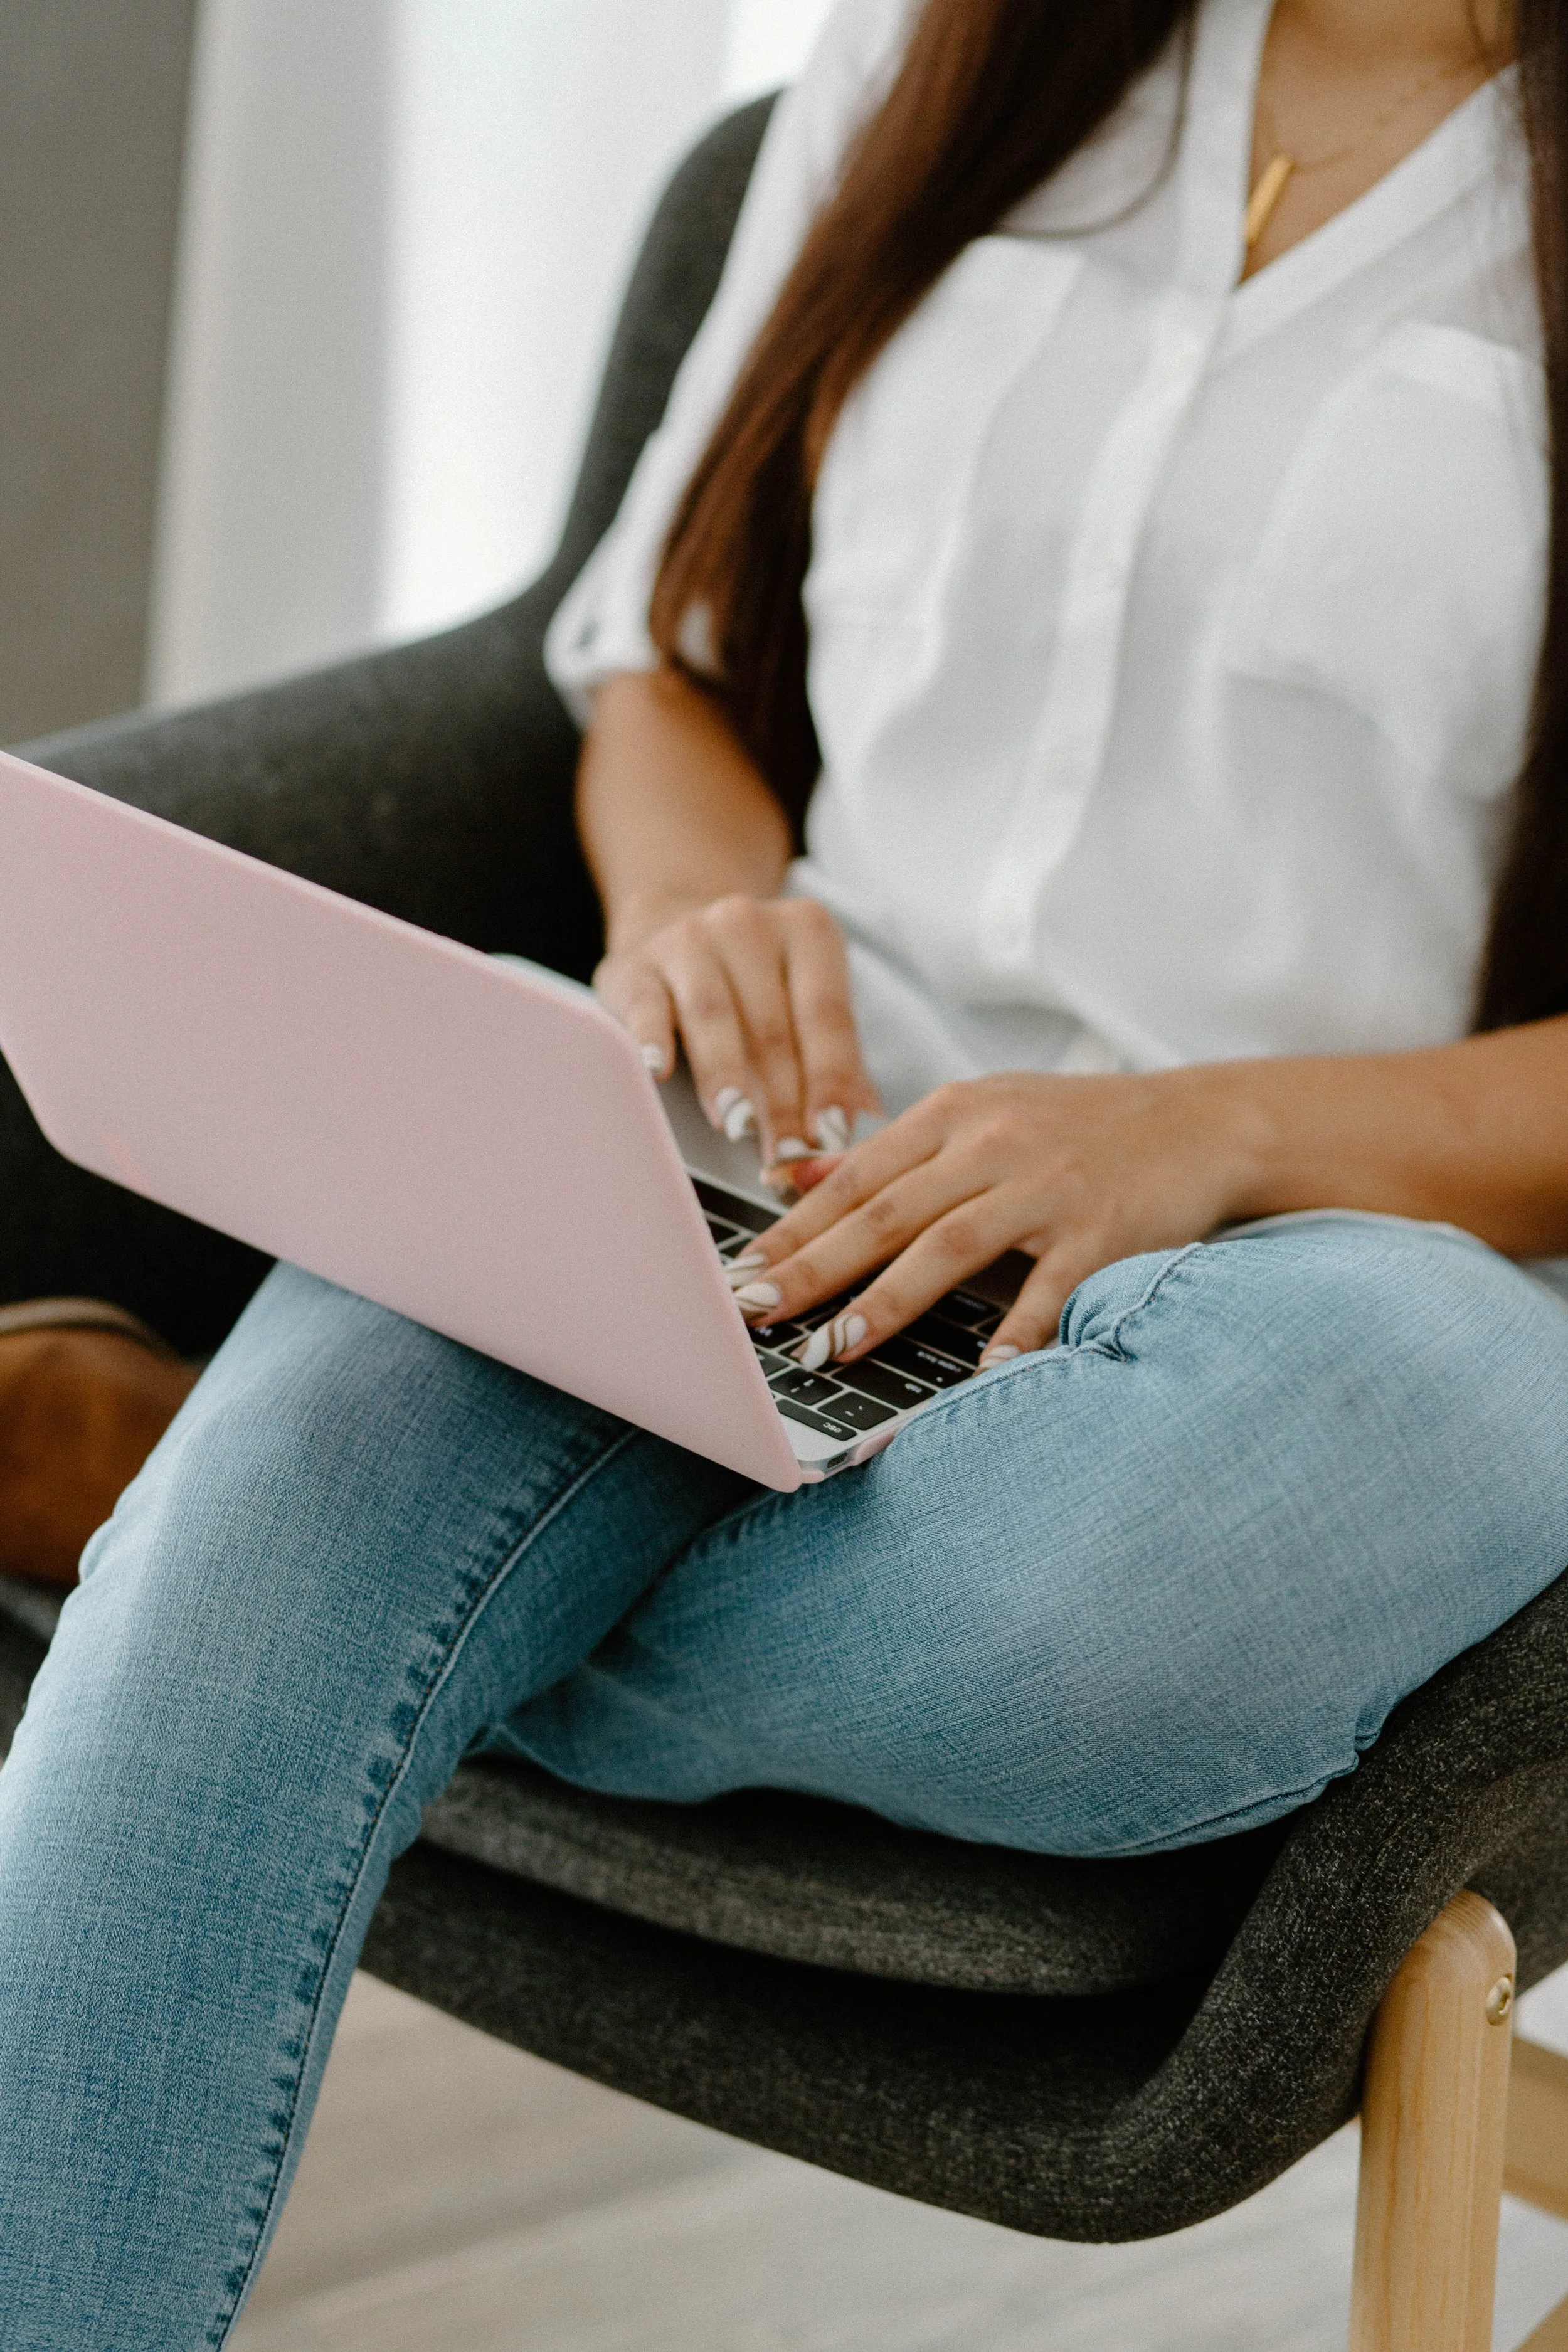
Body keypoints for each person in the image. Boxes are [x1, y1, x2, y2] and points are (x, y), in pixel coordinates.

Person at [4, 0, 1568, 2337]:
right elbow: (665, 651)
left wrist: (1201, 1131)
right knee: (378, 1384)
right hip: (778, 1167)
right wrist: (688, 912)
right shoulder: (956, 56)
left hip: (1332, 1266)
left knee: (1225, 1520)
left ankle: (233, 1522)